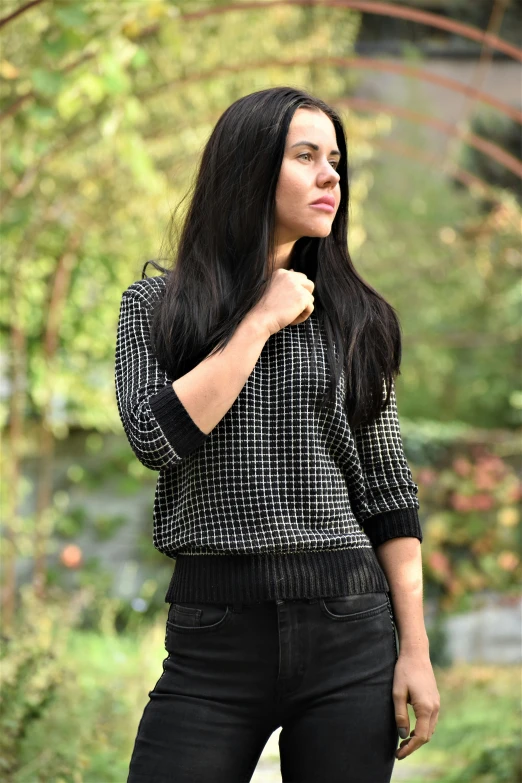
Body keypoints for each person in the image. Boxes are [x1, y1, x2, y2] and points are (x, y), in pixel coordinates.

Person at [115, 86, 440, 783]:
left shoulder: (358, 317)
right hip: (211, 639)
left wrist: (415, 649)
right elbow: (155, 438)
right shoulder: (155, 308)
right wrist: (259, 318)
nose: (331, 177)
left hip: (350, 628)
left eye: (335, 160)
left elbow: (388, 491)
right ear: (249, 170)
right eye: (305, 156)